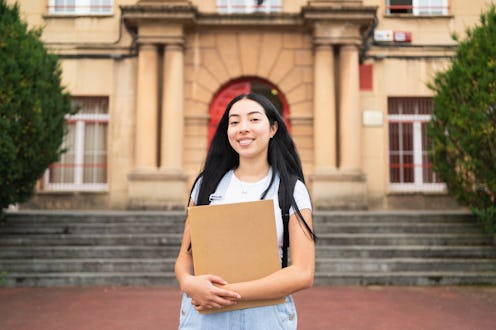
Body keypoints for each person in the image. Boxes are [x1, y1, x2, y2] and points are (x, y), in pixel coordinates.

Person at [175, 93, 317, 329]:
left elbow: (303, 272)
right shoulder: (206, 184)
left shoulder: (291, 189)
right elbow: (185, 256)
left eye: (253, 120)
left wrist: (224, 293)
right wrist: (188, 283)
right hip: (205, 316)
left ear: (273, 129)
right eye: (234, 122)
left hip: (266, 317)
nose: (242, 128)